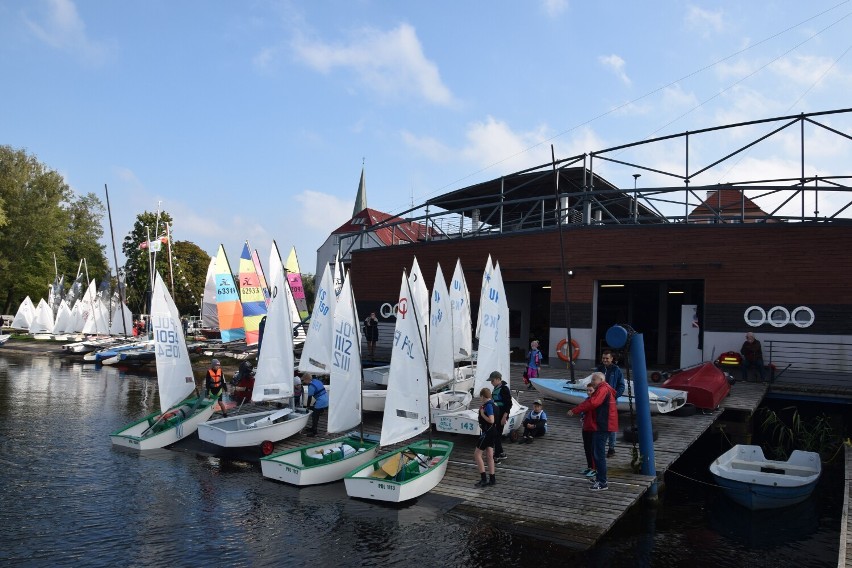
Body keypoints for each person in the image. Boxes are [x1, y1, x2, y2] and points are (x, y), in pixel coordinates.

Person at [568, 372, 618, 491]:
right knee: (596, 451)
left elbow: (592, 402)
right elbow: (592, 401)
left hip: (603, 425)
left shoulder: (603, 389)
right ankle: (600, 477)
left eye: (594, 379)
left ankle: (602, 482)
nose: (593, 381)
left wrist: (575, 410)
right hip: (602, 425)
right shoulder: (604, 388)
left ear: (601, 379)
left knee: (598, 453)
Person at [597, 349, 626, 458]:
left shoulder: (616, 370)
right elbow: (594, 382)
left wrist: (615, 395)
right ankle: (600, 447)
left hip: (611, 401)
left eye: (607, 358)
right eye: (603, 358)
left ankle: (611, 448)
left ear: (612, 359)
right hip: (600, 401)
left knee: (611, 425)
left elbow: (621, 385)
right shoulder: (599, 369)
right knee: (599, 423)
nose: (605, 360)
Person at [473, 387, 497, 487]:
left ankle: (483, 479)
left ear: (483, 396)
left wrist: (482, 414)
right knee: (490, 455)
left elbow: (491, 420)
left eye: (480, 397)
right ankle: (492, 479)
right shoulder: (493, 404)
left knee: (477, 454)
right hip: (493, 432)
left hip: (487, 432)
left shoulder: (488, 406)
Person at [488, 371, 512, 461]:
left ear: (498, 379)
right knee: (497, 434)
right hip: (497, 414)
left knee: (497, 435)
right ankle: (501, 453)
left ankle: (496, 456)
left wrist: (505, 416)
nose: (491, 383)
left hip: (502, 415)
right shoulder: (496, 387)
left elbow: (509, 404)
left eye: (492, 380)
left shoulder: (504, 389)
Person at [300, 372, 329, 436]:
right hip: (326, 398)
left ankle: (314, 431)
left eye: (304, 380)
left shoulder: (311, 386)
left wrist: (307, 407)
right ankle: (313, 428)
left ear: (307, 379)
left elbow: (309, 398)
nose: (303, 382)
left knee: (315, 416)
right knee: (316, 411)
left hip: (321, 401)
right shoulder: (316, 381)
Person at [579, 383, 597, 478]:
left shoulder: (596, 402)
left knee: (592, 448)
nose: (588, 392)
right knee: (586, 447)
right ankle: (590, 466)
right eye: (587, 390)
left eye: (590, 390)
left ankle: (595, 468)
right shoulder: (586, 400)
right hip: (585, 427)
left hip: (593, 428)